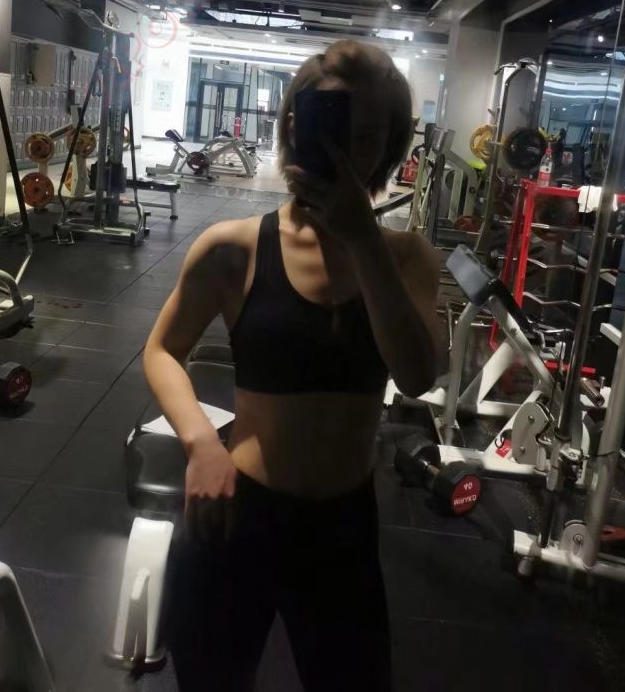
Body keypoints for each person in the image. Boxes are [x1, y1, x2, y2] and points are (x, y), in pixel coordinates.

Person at [143, 40, 442, 692]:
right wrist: (201, 444)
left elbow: (418, 375)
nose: (347, 152)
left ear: (391, 146)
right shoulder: (232, 248)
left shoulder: (408, 258)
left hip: (342, 529)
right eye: (330, 129)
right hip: (238, 514)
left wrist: (361, 239)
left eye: (368, 136)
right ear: (292, 127)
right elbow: (162, 349)